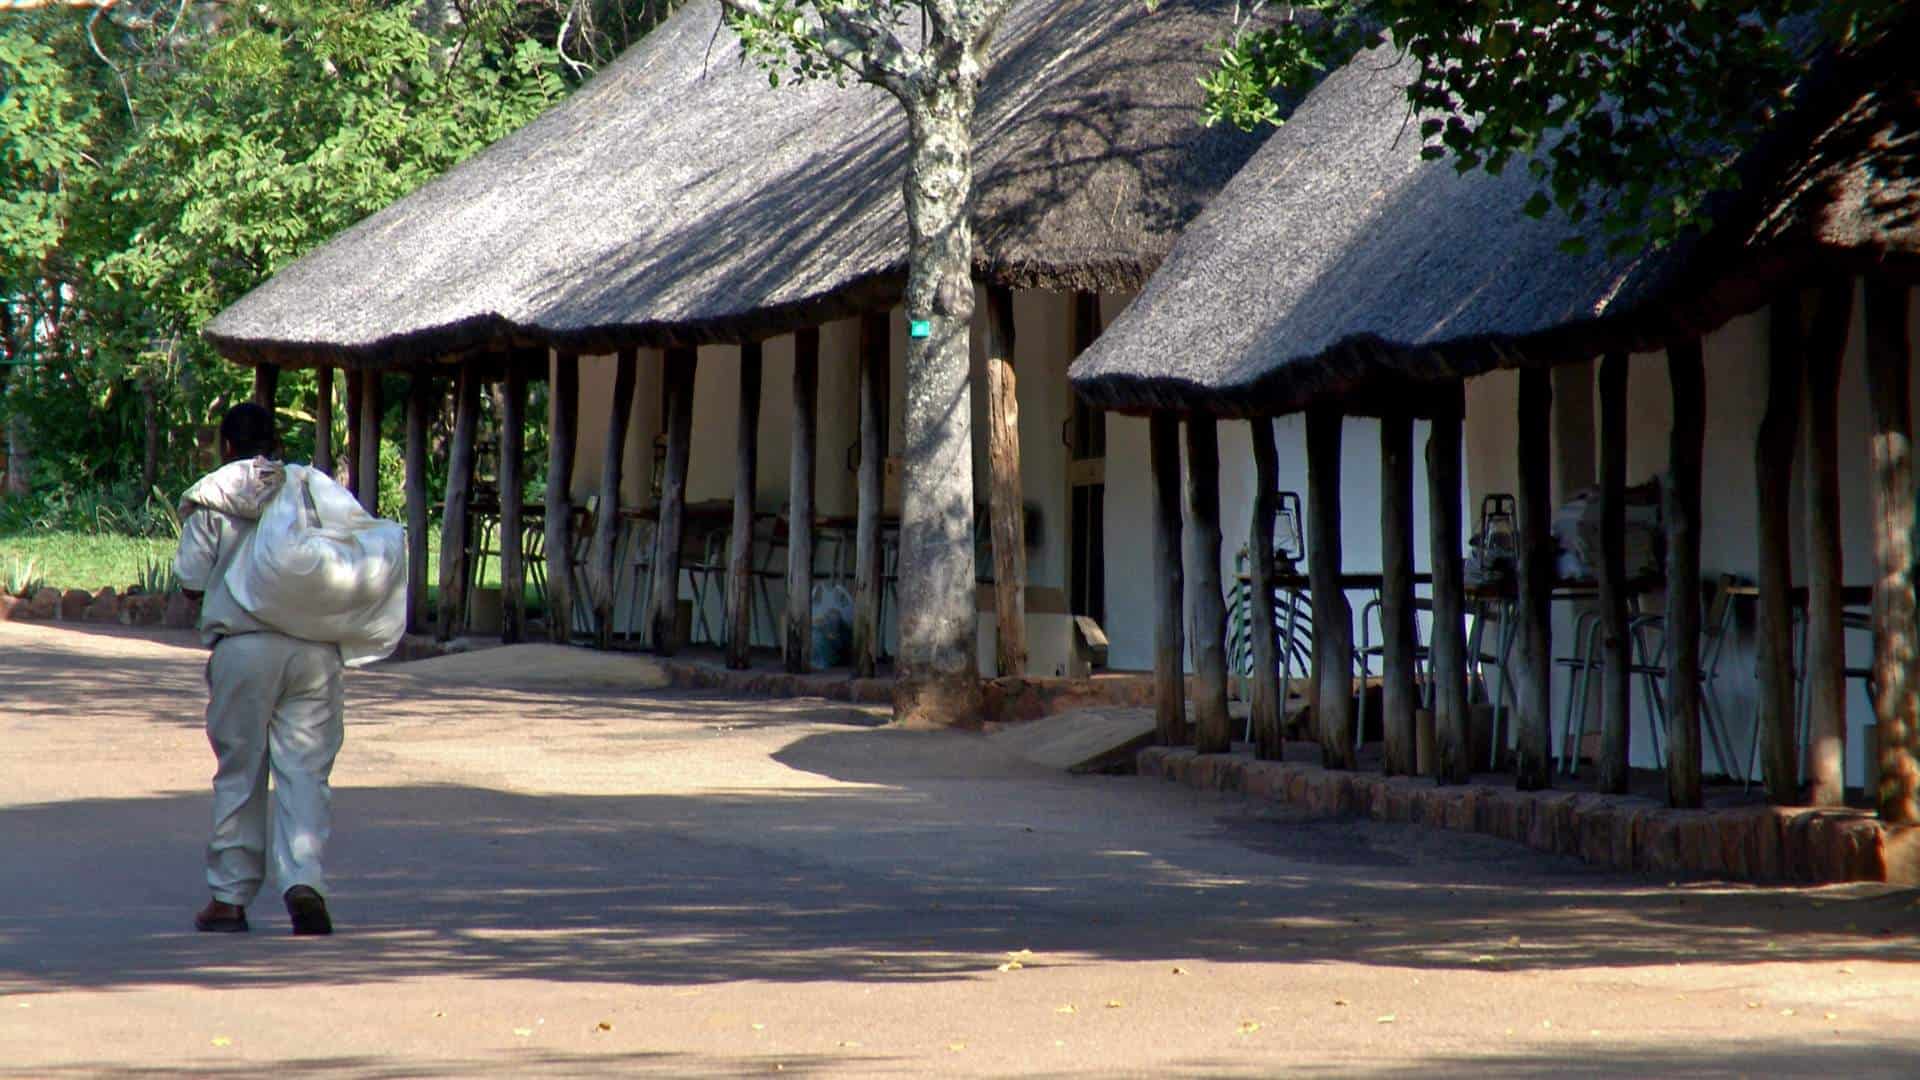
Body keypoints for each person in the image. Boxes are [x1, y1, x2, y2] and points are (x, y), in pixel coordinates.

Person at [174, 402, 341, 936]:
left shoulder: (212, 497)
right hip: (315, 647)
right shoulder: (310, 491)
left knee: (241, 772)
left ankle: (229, 899)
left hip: (244, 647)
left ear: (227, 447)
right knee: (305, 770)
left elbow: (193, 581)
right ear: (275, 445)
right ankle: (304, 881)